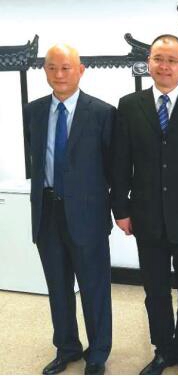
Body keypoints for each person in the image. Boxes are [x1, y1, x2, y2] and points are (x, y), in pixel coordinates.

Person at [111, 34, 178, 375]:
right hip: (145, 216)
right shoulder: (129, 105)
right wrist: (121, 210)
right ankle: (162, 350)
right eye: (158, 58)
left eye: (172, 60)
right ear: (149, 63)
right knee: (155, 290)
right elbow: (120, 162)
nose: (165, 66)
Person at [23, 44, 115, 375]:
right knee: (58, 288)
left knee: (94, 288)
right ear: (45, 71)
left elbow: (113, 168)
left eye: (66, 67)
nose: (59, 74)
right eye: (52, 67)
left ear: (80, 70)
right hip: (47, 211)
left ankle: (98, 352)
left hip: (87, 215)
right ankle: (66, 347)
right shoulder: (33, 111)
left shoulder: (102, 113)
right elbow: (36, 157)